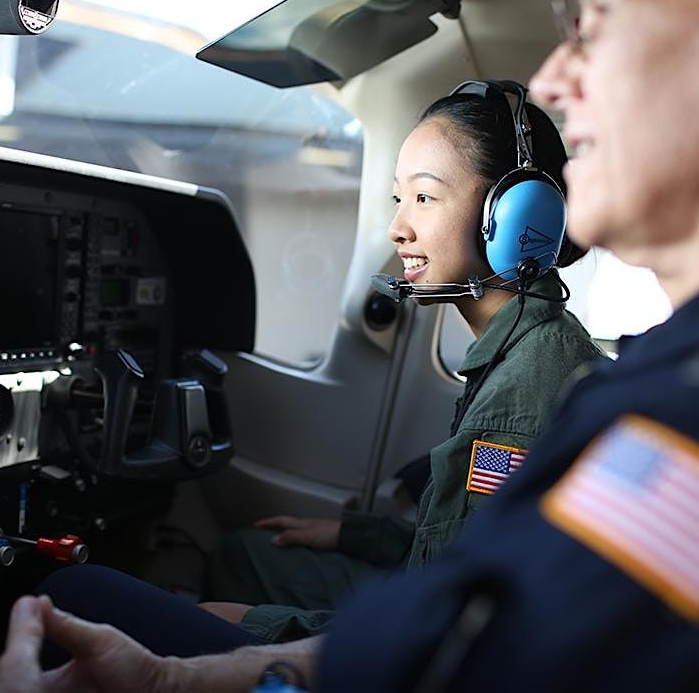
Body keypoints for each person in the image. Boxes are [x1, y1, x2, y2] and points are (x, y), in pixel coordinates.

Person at [0, 0, 699, 690]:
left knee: (58, 598)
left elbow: (462, 656)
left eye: (597, 18)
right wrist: (180, 677)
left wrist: (219, 665)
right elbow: (482, 618)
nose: (558, 73)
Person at [192, 80, 603, 643]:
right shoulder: (530, 349)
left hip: (433, 639)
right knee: (246, 553)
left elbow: (449, 630)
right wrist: (357, 535)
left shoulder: (518, 401)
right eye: (397, 199)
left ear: (511, 215)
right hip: (427, 595)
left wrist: (266, 630)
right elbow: (460, 549)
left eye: (424, 198)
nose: (397, 228)